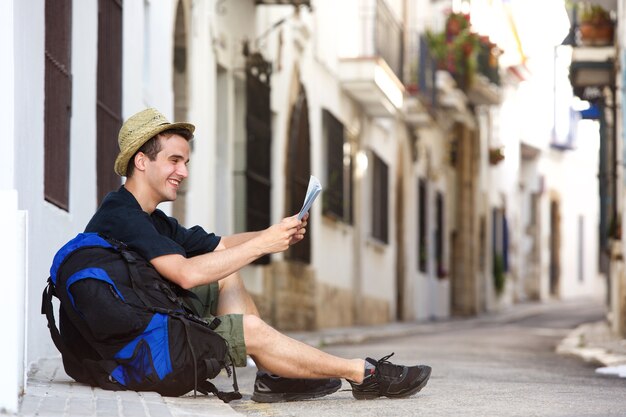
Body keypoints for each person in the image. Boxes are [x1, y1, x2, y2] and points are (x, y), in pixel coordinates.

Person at [85, 107, 432, 402]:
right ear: (141, 161)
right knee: (249, 328)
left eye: (186, 161)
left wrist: (275, 233)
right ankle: (363, 373)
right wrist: (265, 245)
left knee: (226, 273)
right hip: (135, 356)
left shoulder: (151, 219)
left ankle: (272, 376)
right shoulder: (121, 214)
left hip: (147, 337)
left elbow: (220, 245)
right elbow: (186, 274)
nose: (184, 172)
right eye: (174, 160)